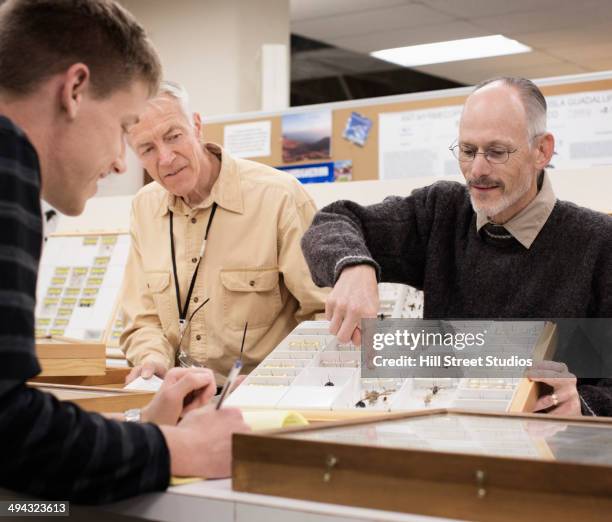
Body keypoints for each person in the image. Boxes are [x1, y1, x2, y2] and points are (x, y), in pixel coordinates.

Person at [0, 0, 248, 504]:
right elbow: (11, 433)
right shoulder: (8, 160)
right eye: (124, 128)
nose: (119, 163)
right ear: (74, 90)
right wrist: (179, 448)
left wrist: (138, 433)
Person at [301, 76, 612, 417]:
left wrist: (582, 405)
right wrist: (353, 267)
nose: (477, 170)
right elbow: (332, 220)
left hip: (546, 457)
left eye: (497, 152)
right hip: (446, 447)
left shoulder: (599, 244)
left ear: (542, 151)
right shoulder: (441, 212)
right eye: (467, 151)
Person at [121, 82, 327, 383]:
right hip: (182, 400)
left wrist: (274, 378)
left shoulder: (278, 197)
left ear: (197, 125)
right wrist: (152, 358)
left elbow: (325, 312)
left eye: (173, 136)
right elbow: (143, 319)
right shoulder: (144, 207)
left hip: (265, 404)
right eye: (148, 149)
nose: (165, 158)